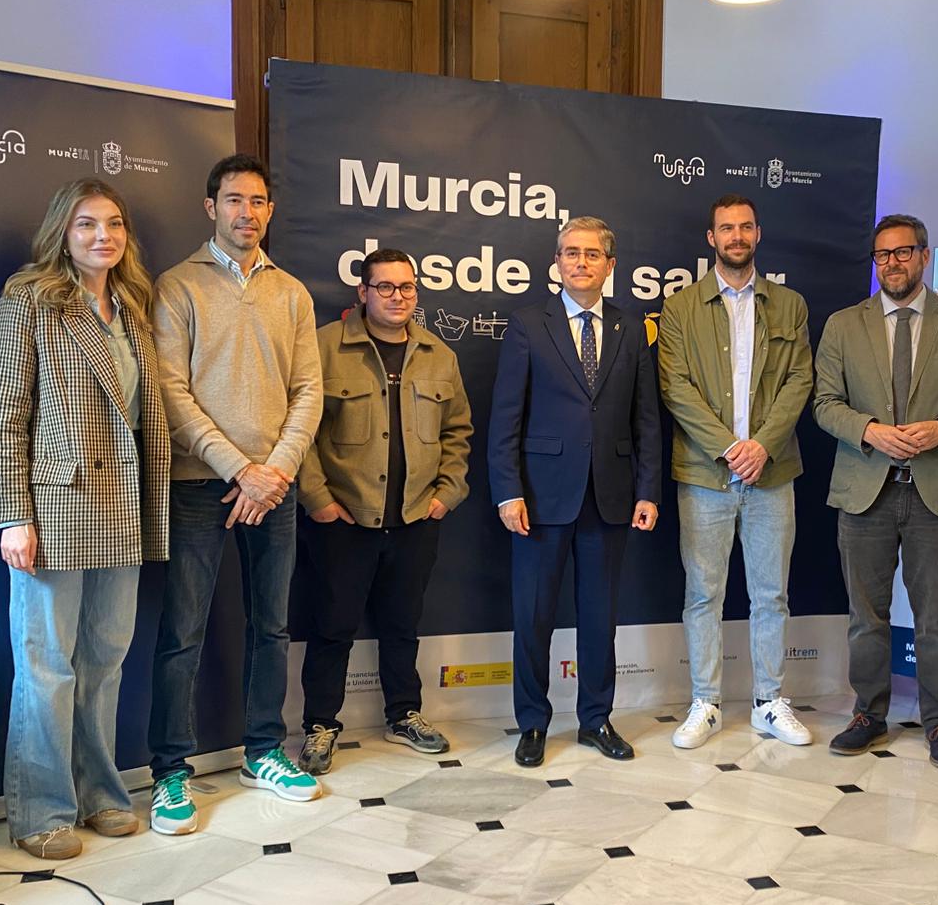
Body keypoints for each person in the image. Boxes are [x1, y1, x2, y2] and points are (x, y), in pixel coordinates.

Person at [0, 178, 171, 859]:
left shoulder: (132, 305)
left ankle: (100, 795)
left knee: (104, 662)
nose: (104, 236)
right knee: (47, 666)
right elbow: (8, 415)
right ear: (62, 232)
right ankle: (41, 812)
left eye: (114, 223)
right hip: (56, 505)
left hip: (124, 507)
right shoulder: (31, 298)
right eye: (87, 223)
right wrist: (14, 515)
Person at [145, 154, 324, 834]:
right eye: (233, 200)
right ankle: (170, 771)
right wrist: (238, 469)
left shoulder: (293, 293)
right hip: (200, 486)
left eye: (257, 201)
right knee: (182, 633)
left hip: (275, 488)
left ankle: (262, 751)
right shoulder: (177, 286)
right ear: (210, 207)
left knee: (271, 627)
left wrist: (273, 471)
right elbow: (171, 393)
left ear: (269, 211)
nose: (246, 213)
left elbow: (308, 391)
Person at [812, 214, 938, 766]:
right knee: (865, 617)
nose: (892, 263)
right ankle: (868, 715)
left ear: (923, 255)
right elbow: (824, 404)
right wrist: (869, 430)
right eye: (882, 254)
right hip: (864, 492)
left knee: (934, 618)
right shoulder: (844, 325)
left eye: (903, 252)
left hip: (934, 494)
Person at [489, 216, 661, 767]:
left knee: (599, 617)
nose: (580, 262)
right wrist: (508, 491)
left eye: (591, 254)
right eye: (570, 253)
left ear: (610, 265)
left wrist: (648, 490)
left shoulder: (631, 328)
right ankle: (533, 722)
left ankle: (596, 719)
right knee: (533, 616)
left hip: (610, 497)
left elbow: (646, 418)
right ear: (557, 263)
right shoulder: (527, 324)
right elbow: (506, 418)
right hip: (540, 499)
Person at [294, 249, 472, 771]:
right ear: (363, 292)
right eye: (386, 287)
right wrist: (318, 499)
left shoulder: (438, 354)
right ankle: (320, 725)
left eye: (407, 287)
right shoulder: (325, 346)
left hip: (416, 518)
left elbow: (458, 431)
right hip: (344, 521)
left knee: (402, 625)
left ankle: (404, 714)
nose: (399, 297)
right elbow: (300, 431)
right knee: (332, 627)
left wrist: (447, 493)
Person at [657, 194, 814, 749]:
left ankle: (769, 702)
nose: (737, 236)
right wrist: (729, 448)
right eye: (726, 228)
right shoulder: (679, 308)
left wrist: (762, 446)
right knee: (704, 594)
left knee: (771, 595)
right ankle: (706, 702)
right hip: (705, 474)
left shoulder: (790, 305)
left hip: (772, 472)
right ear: (712, 238)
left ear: (758, 234)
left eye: (745, 227)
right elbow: (675, 387)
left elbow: (800, 380)